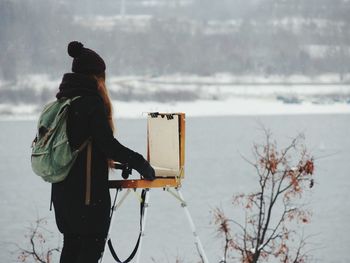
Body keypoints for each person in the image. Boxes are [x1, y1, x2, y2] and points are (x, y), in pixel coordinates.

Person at [51, 41, 155, 263]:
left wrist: (117, 163)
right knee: (90, 249)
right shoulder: (91, 103)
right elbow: (108, 144)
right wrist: (141, 164)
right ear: (97, 77)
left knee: (71, 247)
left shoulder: (64, 101)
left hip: (62, 195)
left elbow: (86, 148)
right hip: (87, 200)